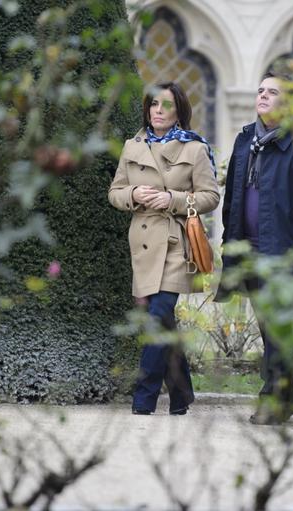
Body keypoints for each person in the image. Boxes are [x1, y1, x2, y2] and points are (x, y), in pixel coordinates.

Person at [216, 72, 293, 425]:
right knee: (271, 330)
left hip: (285, 255)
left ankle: (273, 402)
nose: (263, 96)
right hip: (248, 251)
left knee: (278, 331)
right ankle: (290, 397)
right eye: (260, 90)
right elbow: (233, 197)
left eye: (273, 92)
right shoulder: (244, 141)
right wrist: (228, 242)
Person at [108, 82, 219, 415]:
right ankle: (182, 393)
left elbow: (210, 197)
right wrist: (134, 196)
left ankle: (143, 399)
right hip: (143, 241)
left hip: (175, 242)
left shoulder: (195, 149)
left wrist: (173, 199)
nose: (158, 110)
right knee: (163, 321)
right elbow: (115, 192)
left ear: (178, 110)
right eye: (153, 104)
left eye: (166, 105)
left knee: (158, 316)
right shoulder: (132, 146)